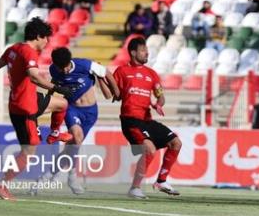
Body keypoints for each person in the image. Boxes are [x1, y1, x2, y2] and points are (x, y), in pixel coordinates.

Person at [0, 18, 74, 200]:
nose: (47, 42)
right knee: (29, 152)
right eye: (46, 38)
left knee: (61, 104)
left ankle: (54, 133)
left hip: (26, 99)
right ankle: (1, 184)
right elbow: (34, 77)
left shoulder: (13, 48)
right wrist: (57, 88)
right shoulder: (28, 52)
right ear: (38, 36)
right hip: (25, 108)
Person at [33, 47, 120, 195]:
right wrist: (49, 100)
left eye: (66, 67)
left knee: (72, 146)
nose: (65, 71)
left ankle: (47, 175)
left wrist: (117, 92)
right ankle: (72, 177)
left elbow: (107, 73)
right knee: (77, 137)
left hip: (91, 112)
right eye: (61, 68)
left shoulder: (85, 65)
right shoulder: (54, 70)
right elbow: (54, 83)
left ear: (70, 61)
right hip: (71, 109)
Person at [113, 37, 183, 199]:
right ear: (133, 52)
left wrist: (158, 103)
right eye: (143, 50)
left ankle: (162, 181)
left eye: (147, 50)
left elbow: (161, 96)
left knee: (176, 143)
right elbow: (115, 94)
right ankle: (135, 188)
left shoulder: (151, 74)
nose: (147, 53)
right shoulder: (122, 71)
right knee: (149, 149)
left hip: (147, 119)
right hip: (130, 119)